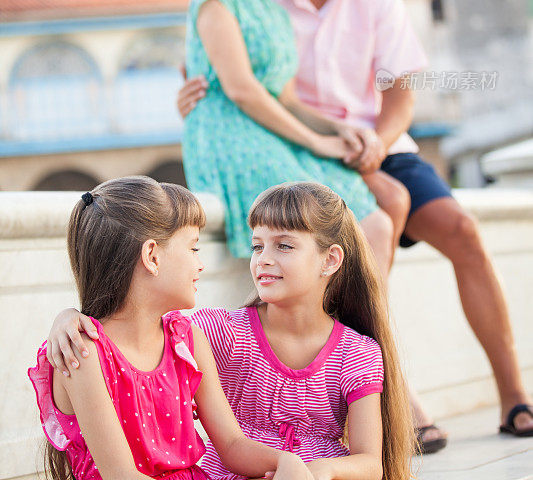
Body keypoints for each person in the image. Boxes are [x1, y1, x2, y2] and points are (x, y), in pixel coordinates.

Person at [178, 0, 533, 445]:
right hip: (301, 146)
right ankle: (382, 389)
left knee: (461, 230)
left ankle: (514, 394)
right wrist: (189, 91)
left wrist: (371, 140)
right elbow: (224, 69)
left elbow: (400, 90)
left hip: (372, 142)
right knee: (378, 212)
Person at [46, 181, 416, 480]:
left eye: (284, 245)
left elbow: (369, 462)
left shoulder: (356, 353)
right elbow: (121, 472)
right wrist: (68, 316)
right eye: (257, 246)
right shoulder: (213, 334)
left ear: (330, 259)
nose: (263, 258)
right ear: (152, 256)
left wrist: (301, 467)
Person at [181, 0, 408, 276]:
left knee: (376, 223)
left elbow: (286, 99)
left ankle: (364, 339)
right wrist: (318, 142)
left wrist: (341, 129)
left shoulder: (272, 9)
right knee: (324, 224)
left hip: (272, 129)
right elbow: (241, 90)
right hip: (230, 132)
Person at [28, 176, 312, 480]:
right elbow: (122, 475)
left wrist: (286, 462)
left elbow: (232, 445)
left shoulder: (186, 340)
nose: (200, 264)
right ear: (152, 256)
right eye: (193, 248)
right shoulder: (83, 353)